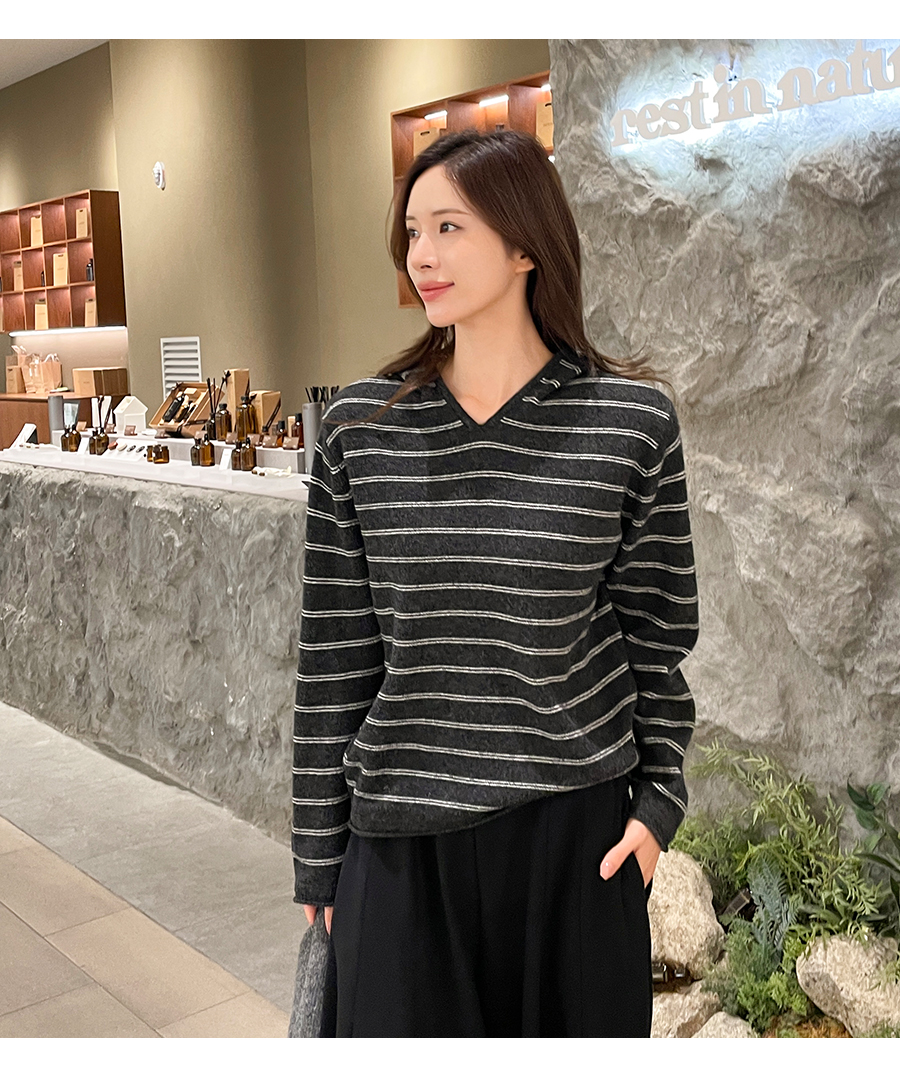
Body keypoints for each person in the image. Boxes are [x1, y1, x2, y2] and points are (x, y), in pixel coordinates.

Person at [291, 128, 699, 1037]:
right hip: (401, 848)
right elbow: (334, 658)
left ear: (525, 245)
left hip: (577, 846)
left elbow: (658, 638)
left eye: (449, 228)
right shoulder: (361, 430)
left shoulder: (629, 426)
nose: (420, 256)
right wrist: (318, 851)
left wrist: (657, 808)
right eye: (412, 233)